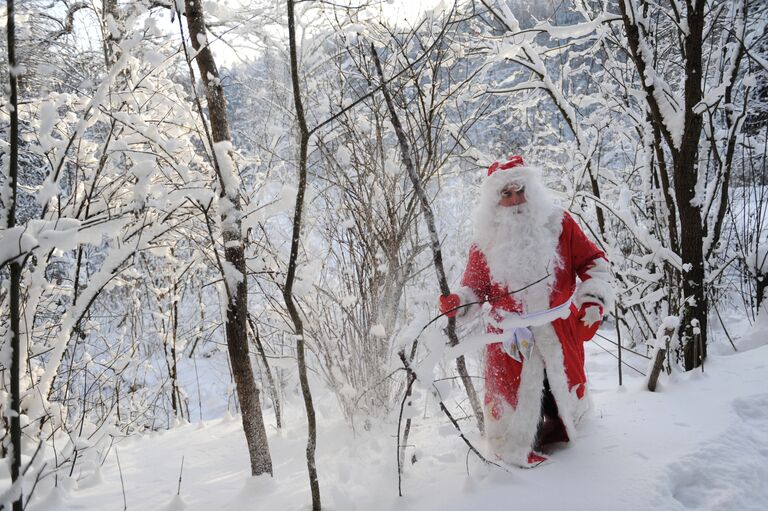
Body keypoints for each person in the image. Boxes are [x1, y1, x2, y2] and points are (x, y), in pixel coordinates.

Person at [439, 155, 613, 467]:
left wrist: (592, 301)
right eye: (506, 194)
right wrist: (459, 302)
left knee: (559, 393)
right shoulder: (485, 241)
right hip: (509, 339)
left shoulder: (560, 224)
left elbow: (594, 264)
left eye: (520, 190)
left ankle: (566, 432)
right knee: (514, 404)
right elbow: (475, 289)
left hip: (558, 331)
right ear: (494, 200)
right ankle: (516, 448)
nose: (516, 199)